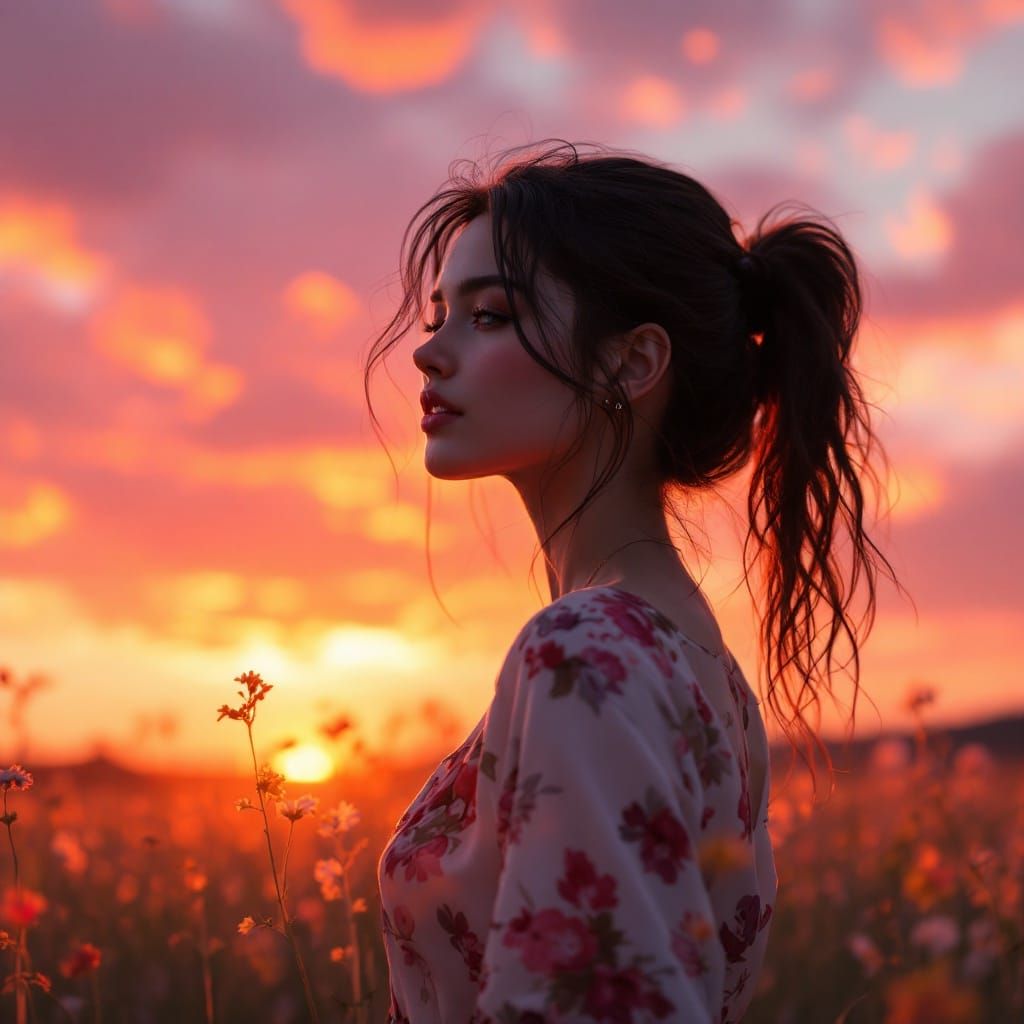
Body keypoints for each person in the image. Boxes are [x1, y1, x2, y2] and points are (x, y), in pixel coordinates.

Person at [363, 140, 896, 1023]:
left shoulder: (586, 651)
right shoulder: (685, 657)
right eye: (437, 313)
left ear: (631, 363)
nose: (428, 353)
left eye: (488, 315)